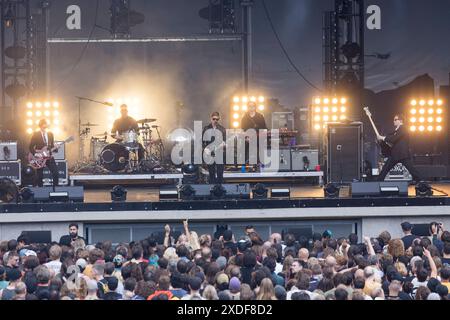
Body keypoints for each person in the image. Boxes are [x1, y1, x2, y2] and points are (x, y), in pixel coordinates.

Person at [376, 114, 421, 182]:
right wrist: (381, 138)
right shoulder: (396, 130)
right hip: (395, 154)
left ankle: (420, 180)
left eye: (395, 120)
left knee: (411, 169)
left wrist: (382, 137)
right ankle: (378, 181)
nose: (393, 121)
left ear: (400, 121)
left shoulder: (403, 128)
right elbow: (390, 137)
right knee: (385, 168)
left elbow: (393, 139)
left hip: (402, 154)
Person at [29, 119, 59, 188]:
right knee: (39, 176)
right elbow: (30, 147)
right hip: (40, 158)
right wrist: (36, 154)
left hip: (49, 157)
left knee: (55, 173)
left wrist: (56, 147)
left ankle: (56, 190)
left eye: (45, 127)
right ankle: (40, 190)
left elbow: (52, 147)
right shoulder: (36, 134)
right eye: (43, 127)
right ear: (40, 126)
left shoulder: (50, 134)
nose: (44, 128)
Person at [202, 112, 226, 184]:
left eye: (217, 119)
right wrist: (205, 149)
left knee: (220, 173)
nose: (215, 120)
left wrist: (222, 145)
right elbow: (202, 141)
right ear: (211, 119)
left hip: (219, 153)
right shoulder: (206, 128)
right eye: (214, 119)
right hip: (209, 153)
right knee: (211, 173)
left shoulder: (222, 129)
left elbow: (225, 141)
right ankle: (212, 188)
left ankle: (220, 189)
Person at [241, 101, 267, 166]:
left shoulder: (260, 116)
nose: (251, 107)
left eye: (253, 106)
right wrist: (246, 137)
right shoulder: (245, 117)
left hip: (258, 136)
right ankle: (244, 163)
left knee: (261, 146)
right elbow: (243, 129)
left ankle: (261, 163)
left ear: (255, 107)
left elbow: (264, 128)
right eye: (250, 106)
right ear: (247, 107)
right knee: (243, 147)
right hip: (248, 137)